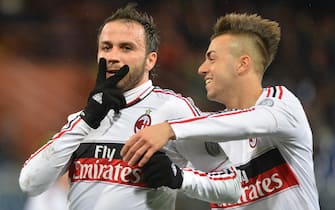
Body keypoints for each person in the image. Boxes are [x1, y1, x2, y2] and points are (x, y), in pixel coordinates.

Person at [19, 4, 242, 210]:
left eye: (126, 48)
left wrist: (178, 177)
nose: (113, 56)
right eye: (106, 47)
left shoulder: (174, 110)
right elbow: (30, 183)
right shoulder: (83, 119)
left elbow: (232, 188)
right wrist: (87, 119)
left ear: (150, 60)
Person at [121, 13, 320, 210]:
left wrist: (169, 128)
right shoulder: (210, 134)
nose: (202, 68)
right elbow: (206, 182)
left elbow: (247, 122)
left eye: (212, 58)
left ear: (242, 64)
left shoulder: (283, 106)